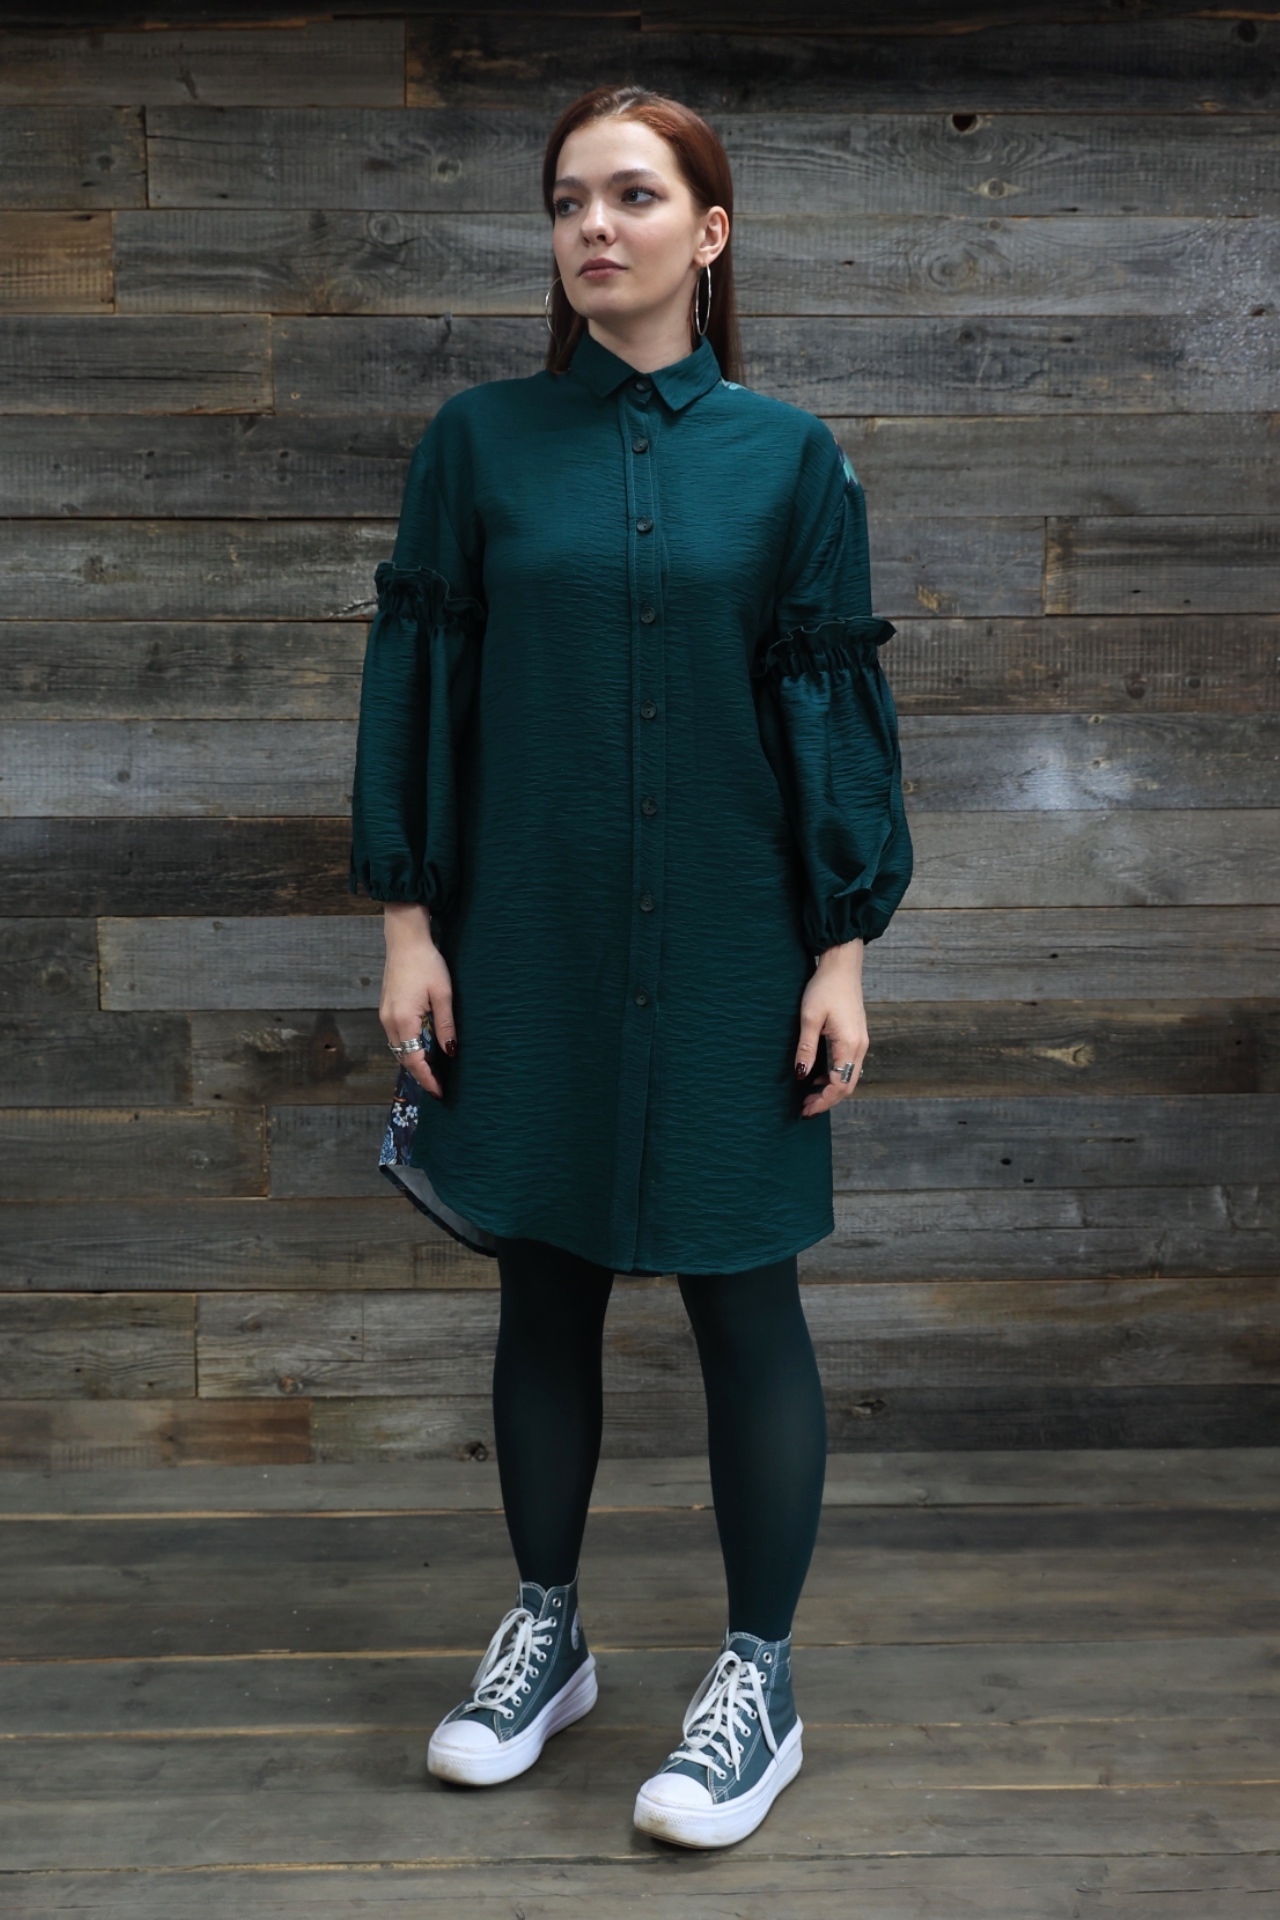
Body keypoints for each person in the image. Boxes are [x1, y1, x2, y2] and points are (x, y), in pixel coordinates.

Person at [348, 83, 912, 1850]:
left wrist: (841, 953)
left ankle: (759, 1681)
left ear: (709, 232)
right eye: (568, 201)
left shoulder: (792, 461)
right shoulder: (477, 445)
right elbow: (420, 688)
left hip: (741, 942)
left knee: (748, 1295)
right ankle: (548, 1635)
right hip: (532, 937)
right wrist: (408, 924)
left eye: (635, 196)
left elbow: (828, 710)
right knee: (546, 1282)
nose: (595, 226)